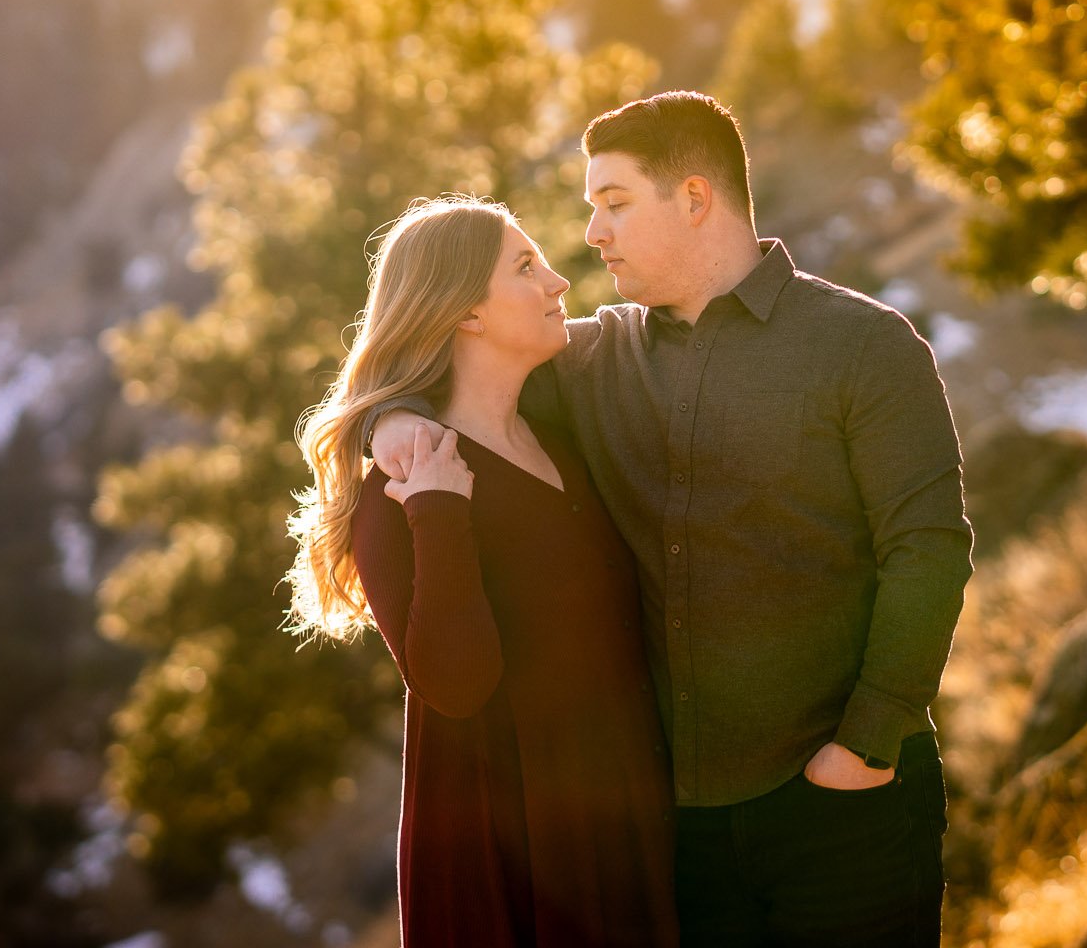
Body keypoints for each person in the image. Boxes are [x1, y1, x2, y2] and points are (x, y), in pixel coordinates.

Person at [373, 92, 975, 946]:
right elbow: (456, 364)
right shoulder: (585, 360)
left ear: (694, 199)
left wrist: (866, 747)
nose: (593, 235)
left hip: (843, 803)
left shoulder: (865, 346)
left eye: (614, 204)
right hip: (679, 839)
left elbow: (929, 552)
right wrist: (386, 421)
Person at [288, 195, 678, 948]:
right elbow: (456, 684)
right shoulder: (401, 490)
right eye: (528, 267)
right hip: (518, 853)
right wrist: (438, 512)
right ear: (464, 312)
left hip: (627, 812)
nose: (561, 281)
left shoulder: (565, 435)